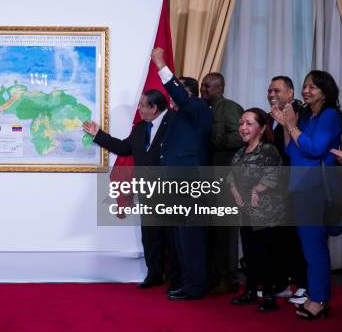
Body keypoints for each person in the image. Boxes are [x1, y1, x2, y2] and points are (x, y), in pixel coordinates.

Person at [83, 89, 180, 291]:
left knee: (172, 237)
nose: (139, 109)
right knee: (150, 236)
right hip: (147, 190)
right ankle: (154, 274)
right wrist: (98, 135)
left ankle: (176, 279)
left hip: (170, 191)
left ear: (154, 108)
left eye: (142, 105)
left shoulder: (175, 123)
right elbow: (123, 148)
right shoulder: (141, 128)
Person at [272, 70, 342, 320]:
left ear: (325, 92)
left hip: (317, 190)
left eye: (312, 87)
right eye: (305, 86)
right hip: (300, 188)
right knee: (309, 248)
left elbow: (314, 149)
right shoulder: (306, 117)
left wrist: (291, 126)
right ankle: (315, 296)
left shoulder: (330, 115)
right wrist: (285, 126)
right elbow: (291, 150)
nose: (306, 90)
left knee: (315, 249)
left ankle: (321, 300)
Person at [151, 48, 213, 300]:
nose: (171, 98)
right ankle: (187, 281)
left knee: (191, 240)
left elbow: (180, 95)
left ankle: (197, 286)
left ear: (187, 93)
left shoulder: (198, 108)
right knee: (181, 239)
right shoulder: (177, 116)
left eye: (176, 92)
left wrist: (160, 64)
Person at [228, 108, 287, 312]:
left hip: (267, 214)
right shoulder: (239, 152)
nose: (243, 127)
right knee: (250, 255)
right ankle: (251, 292)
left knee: (266, 256)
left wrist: (257, 188)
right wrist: (235, 191)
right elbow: (230, 176)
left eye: (249, 123)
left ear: (261, 128)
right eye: (241, 123)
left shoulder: (268, 150)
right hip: (246, 213)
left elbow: (275, 174)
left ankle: (269, 296)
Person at [200, 72, 244, 294]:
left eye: (207, 87)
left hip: (227, 177)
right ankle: (214, 274)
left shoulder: (229, 108)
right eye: (202, 86)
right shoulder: (204, 109)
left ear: (220, 88)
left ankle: (230, 277)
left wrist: (214, 140)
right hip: (209, 177)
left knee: (226, 229)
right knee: (212, 229)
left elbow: (241, 136)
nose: (203, 90)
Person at [266, 76, 308, 304]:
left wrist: (285, 125)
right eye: (270, 90)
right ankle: (282, 283)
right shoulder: (270, 116)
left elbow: (292, 149)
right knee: (281, 237)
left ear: (290, 93)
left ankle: (303, 285)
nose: (272, 94)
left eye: (278, 90)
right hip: (278, 187)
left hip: (299, 184)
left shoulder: (300, 112)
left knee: (300, 238)